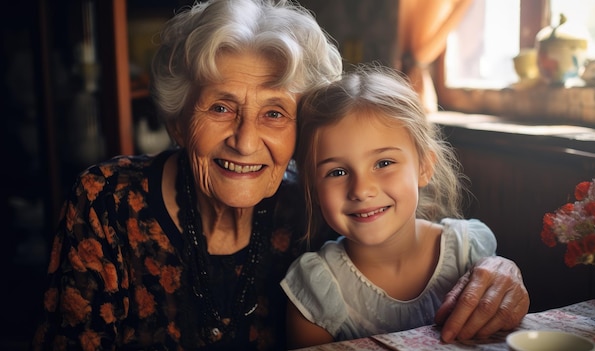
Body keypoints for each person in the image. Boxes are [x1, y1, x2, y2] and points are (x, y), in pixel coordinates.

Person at [31, 0, 528, 350]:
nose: (246, 141)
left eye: (274, 113)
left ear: (301, 132)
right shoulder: (107, 201)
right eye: (222, 107)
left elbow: (412, 242)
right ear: (180, 120)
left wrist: (497, 271)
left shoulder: (314, 203)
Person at [280, 64, 529, 349]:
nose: (361, 190)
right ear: (313, 188)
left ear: (424, 167)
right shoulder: (316, 287)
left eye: (383, 163)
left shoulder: (469, 250)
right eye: (337, 172)